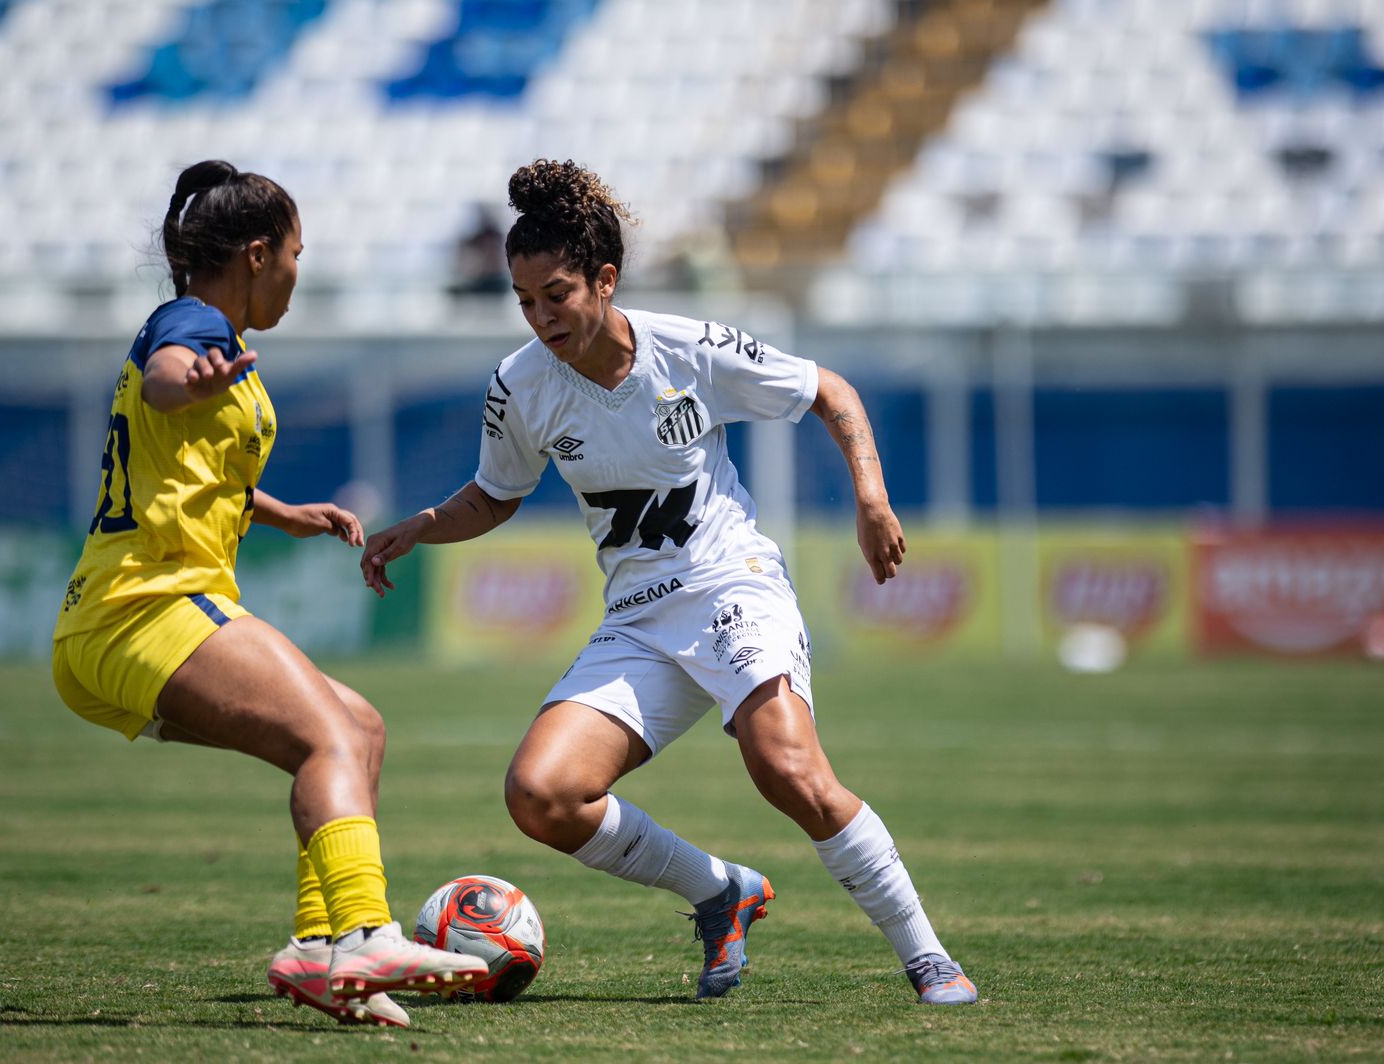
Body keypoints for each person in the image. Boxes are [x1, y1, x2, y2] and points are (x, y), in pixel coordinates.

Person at [360, 159, 977, 1006]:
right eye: (524, 299)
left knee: (786, 768)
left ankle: (928, 957)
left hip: (733, 585)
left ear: (605, 281)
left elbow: (829, 391)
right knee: (541, 795)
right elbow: (494, 495)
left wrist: (872, 496)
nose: (541, 317)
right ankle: (720, 890)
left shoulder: (692, 350)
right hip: (639, 619)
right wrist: (423, 527)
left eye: (559, 294)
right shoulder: (520, 386)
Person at [50, 160, 485, 1030]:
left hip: (140, 611)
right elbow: (170, 373)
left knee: (356, 728)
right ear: (256, 253)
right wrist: (186, 377)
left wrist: (280, 511)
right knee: (325, 733)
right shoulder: (193, 322)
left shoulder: (220, 340)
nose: (297, 270)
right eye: (295, 252)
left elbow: (178, 465)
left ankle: (317, 952)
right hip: (143, 605)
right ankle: (365, 931)